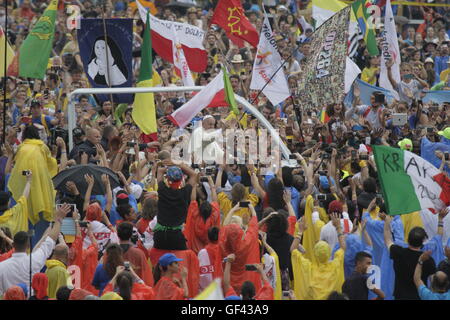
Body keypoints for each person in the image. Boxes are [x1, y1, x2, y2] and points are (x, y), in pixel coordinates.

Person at [0, 204, 71, 295]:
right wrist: (59, 220)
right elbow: (50, 241)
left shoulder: (2, 266)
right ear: (28, 246)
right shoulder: (34, 260)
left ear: (13, 244)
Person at [7, 125, 58, 245]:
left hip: (23, 185)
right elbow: (51, 166)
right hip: (40, 188)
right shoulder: (42, 147)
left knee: (24, 221)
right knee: (39, 224)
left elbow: (16, 166)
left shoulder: (21, 148)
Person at [291, 214, 346, 300]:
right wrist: (338, 227)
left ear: (315, 254)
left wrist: (300, 231)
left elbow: (293, 250)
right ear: (329, 252)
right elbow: (343, 248)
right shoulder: (335, 266)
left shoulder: (308, 268)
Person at [384, 216, 436, 300]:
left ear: (408, 239)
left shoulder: (398, 252)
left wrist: (387, 222)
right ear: (422, 242)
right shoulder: (427, 259)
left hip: (400, 296)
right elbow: (434, 282)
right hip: (419, 297)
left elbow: (387, 240)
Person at [117, 222, 153, 286]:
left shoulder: (110, 252)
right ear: (131, 235)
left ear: (117, 234)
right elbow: (147, 277)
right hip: (135, 290)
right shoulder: (139, 253)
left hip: (114, 291)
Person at [0, 171, 32, 235]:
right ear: (8, 202)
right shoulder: (16, 211)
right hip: (20, 244)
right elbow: (24, 196)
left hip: (5, 244)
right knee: (32, 233)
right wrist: (29, 180)